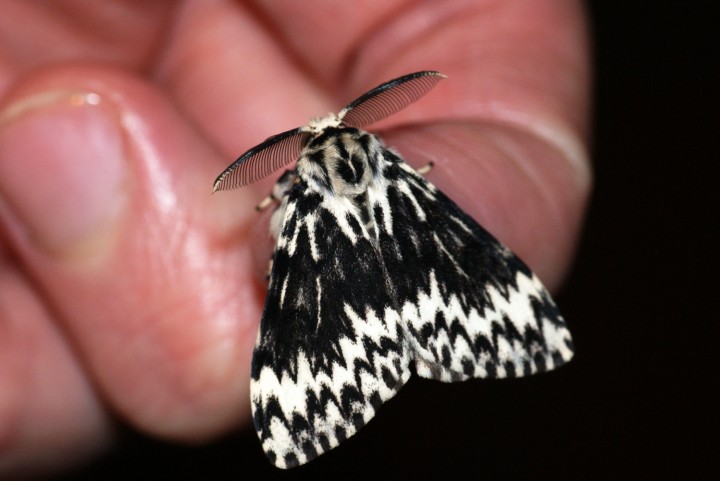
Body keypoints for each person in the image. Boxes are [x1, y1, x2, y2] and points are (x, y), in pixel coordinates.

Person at [0, 1, 591, 476]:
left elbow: (272, 201)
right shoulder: (389, 169)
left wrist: (274, 199)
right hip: (405, 210)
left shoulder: (303, 193)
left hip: (325, 243)